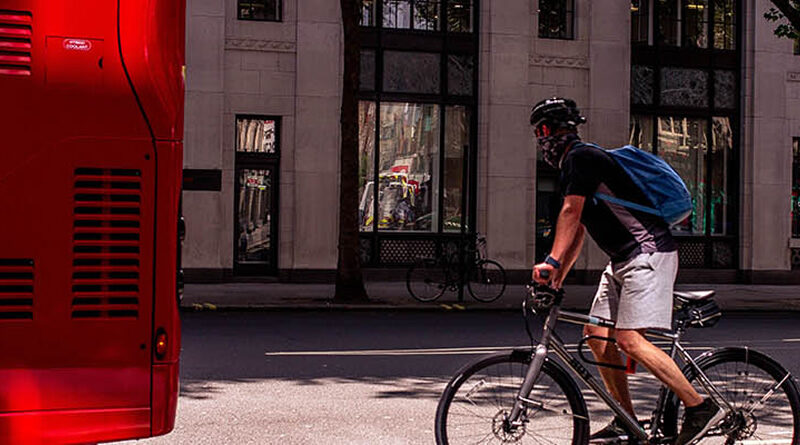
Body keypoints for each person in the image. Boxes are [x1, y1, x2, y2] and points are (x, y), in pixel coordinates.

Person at [529, 97, 724, 444]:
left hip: (648, 254)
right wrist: (558, 276)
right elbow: (580, 229)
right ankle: (626, 421)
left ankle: (700, 407)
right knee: (597, 335)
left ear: (554, 130)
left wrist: (552, 262)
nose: (540, 141)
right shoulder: (575, 165)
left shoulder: (581, 157)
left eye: (541, 132)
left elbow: (570, 214)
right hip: (623, 260)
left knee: (629, 339)